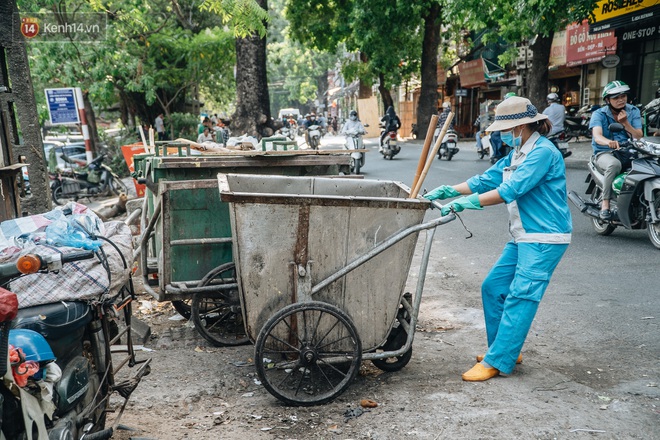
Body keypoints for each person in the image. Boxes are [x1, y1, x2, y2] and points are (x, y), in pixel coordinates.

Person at [424, 96, 572, 382]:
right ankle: (505, 348)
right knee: (493, 287)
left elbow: (511, 189)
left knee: (521, 295)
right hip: (522, 235)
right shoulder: (515, 154)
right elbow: (486, 180)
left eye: (506, 129)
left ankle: (498, 359)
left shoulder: (543, 152)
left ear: (521, 127)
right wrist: (448, 191)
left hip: (544, 237)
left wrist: (467, 204)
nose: (502, 135)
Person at [589, 80, 643, 220]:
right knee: (614, 165)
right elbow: (597, 136)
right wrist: (609, 143)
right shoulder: (599, 114)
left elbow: (638, 136)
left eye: (623, 96)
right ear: (607, 100)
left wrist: (625, 123)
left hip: (629, 151)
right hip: (605, 152)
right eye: (616, 97)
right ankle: (605, 203)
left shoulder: (633, 111)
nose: (621, 100)